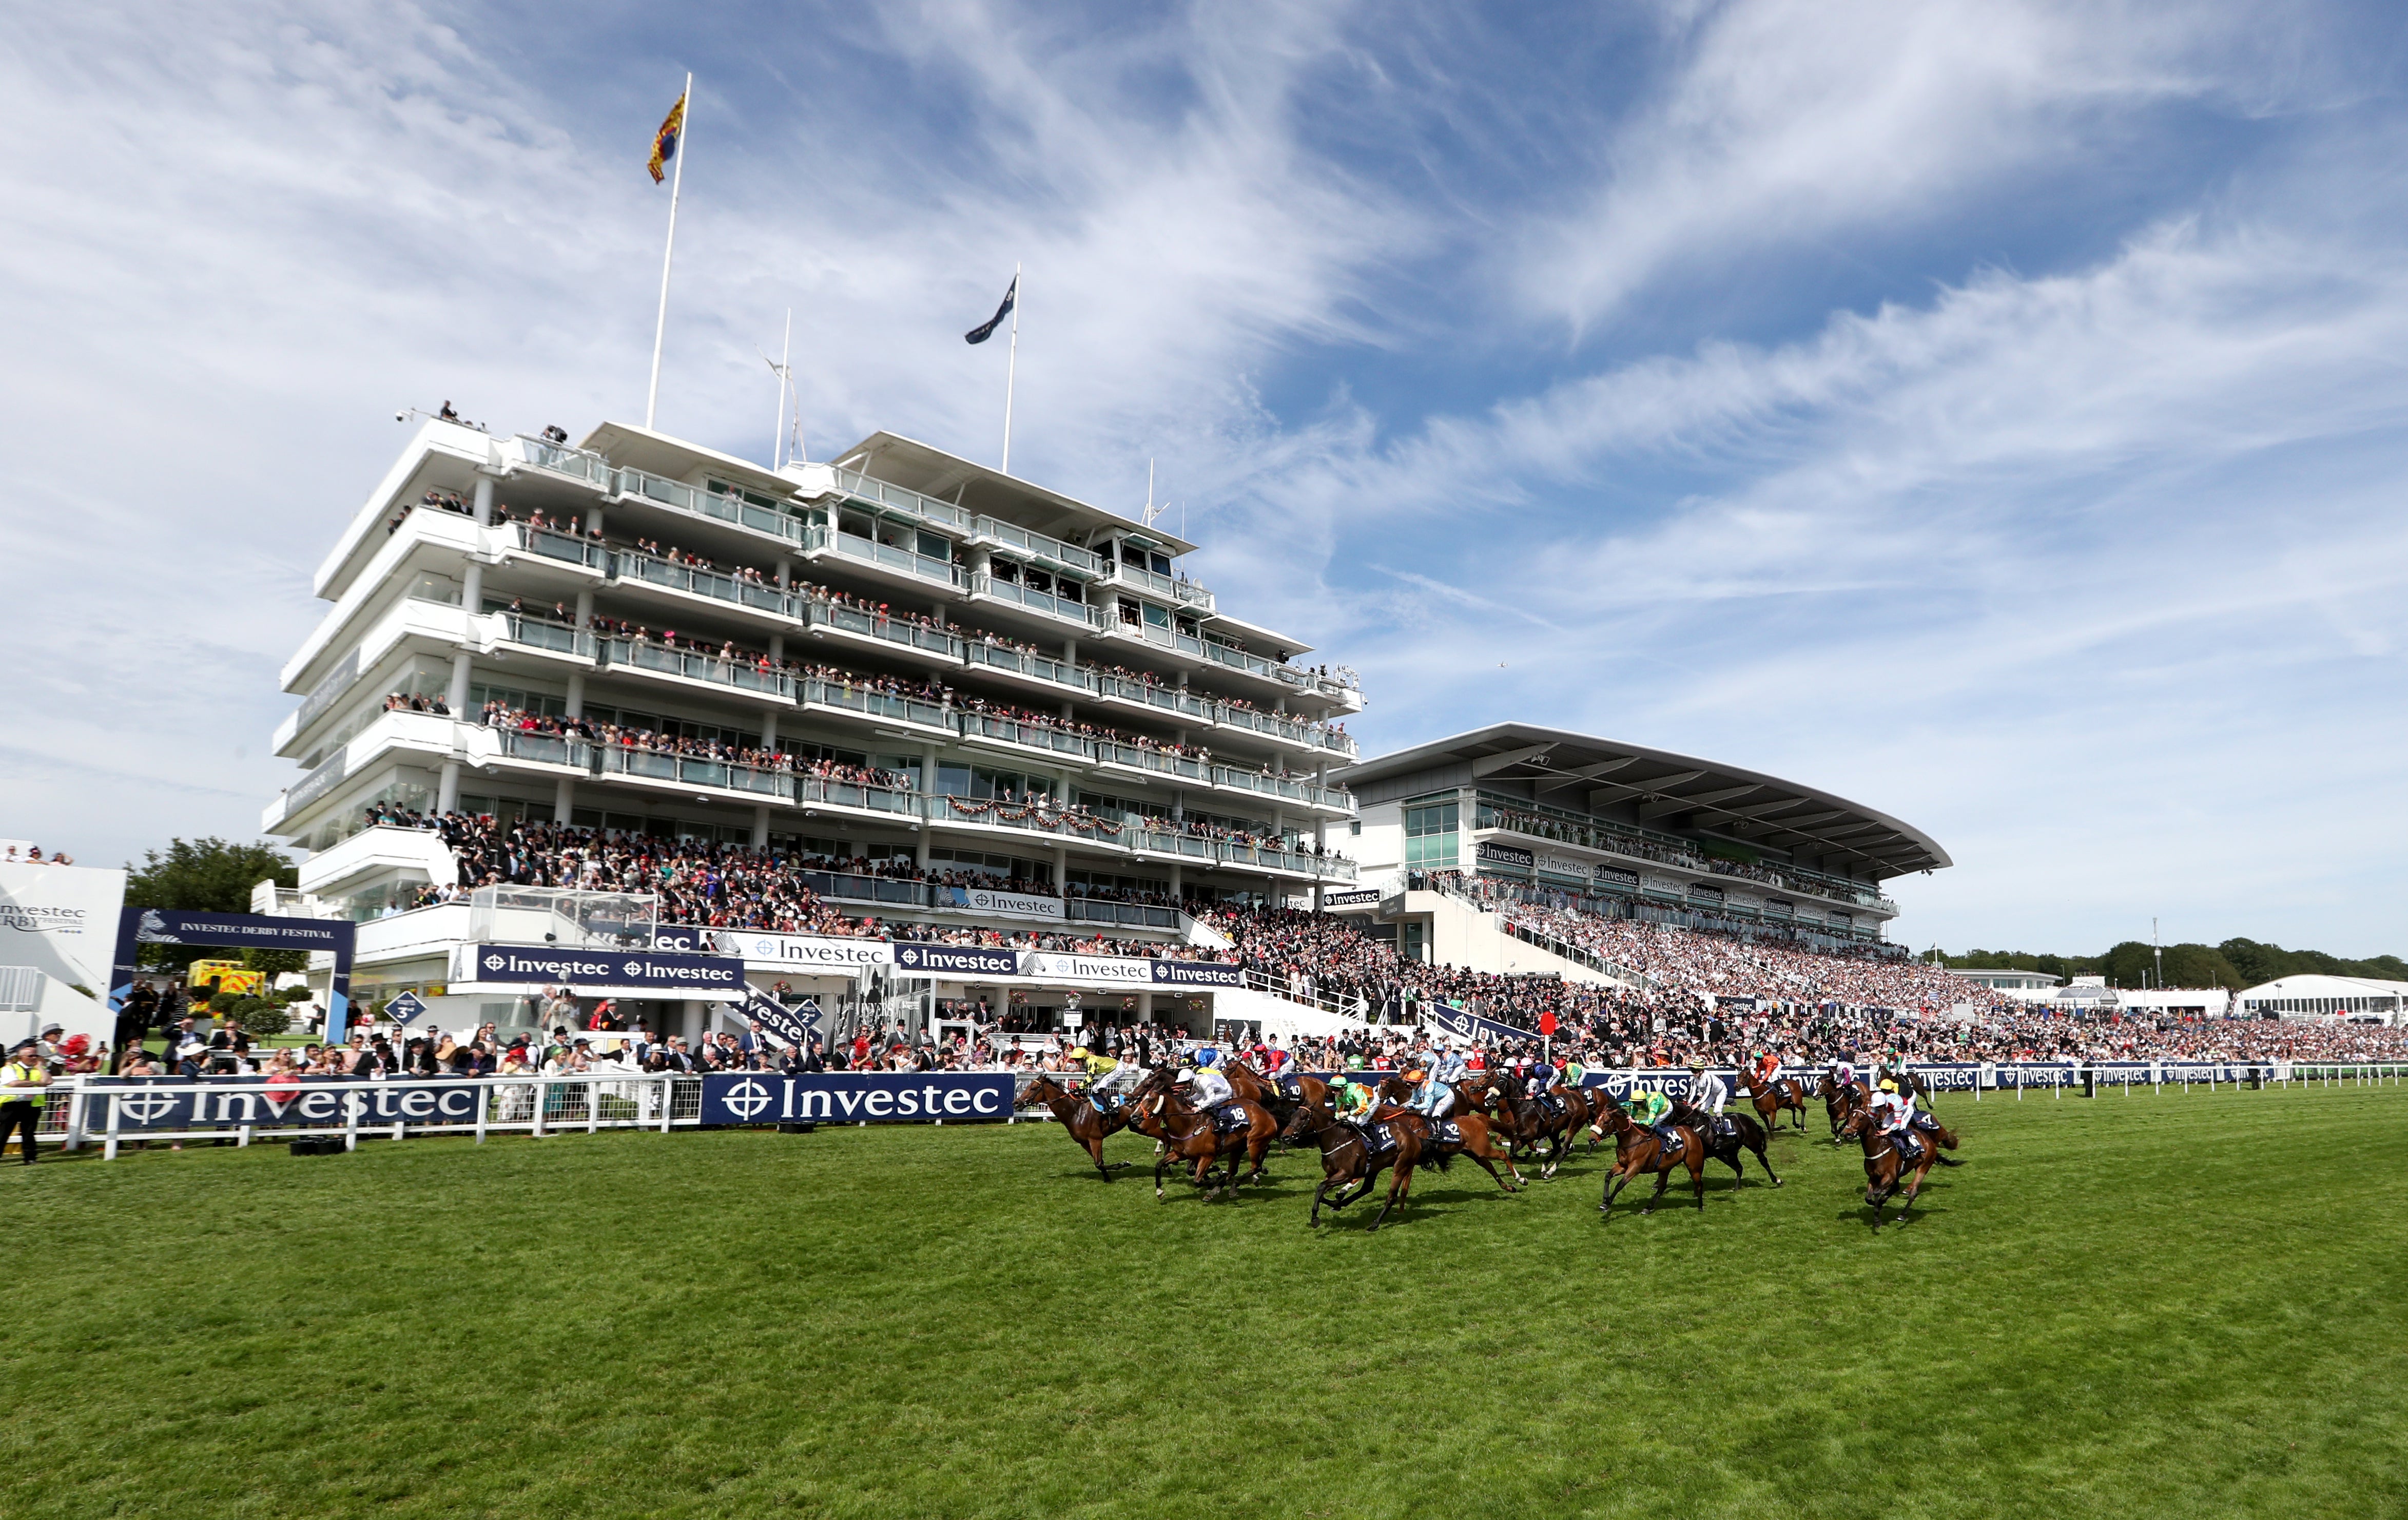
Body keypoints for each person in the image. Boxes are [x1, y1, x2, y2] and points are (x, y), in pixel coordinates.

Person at [1, 1038, 49, 1165]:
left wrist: (40, 1067)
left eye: (36, 1055)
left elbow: (48, 1081)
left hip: (31, 1105)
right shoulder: (10, 1068)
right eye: (31, 1056)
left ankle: (30, 1158)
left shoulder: (38, 1069)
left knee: (29, 1133)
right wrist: (36, 1083)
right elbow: (14, 1083)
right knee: (3, 1133)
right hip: (12, 1104)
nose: (34, 1058)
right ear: (21, 1057)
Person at [1625, 1086, 1683, 1154]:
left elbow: (1650, 1122)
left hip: (1665, 1108)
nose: (1637, 1105)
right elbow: (1634, 1111)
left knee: (1651, 1125)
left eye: (1639, 1103)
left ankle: (1668, 1140)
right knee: (1645, 1125)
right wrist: (1631, 1117)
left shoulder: (1653, 1104)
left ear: (1644, 1101)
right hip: (1656, 1105)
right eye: (1635, 1103)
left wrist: (1635, 1121)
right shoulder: (1638, 1101)